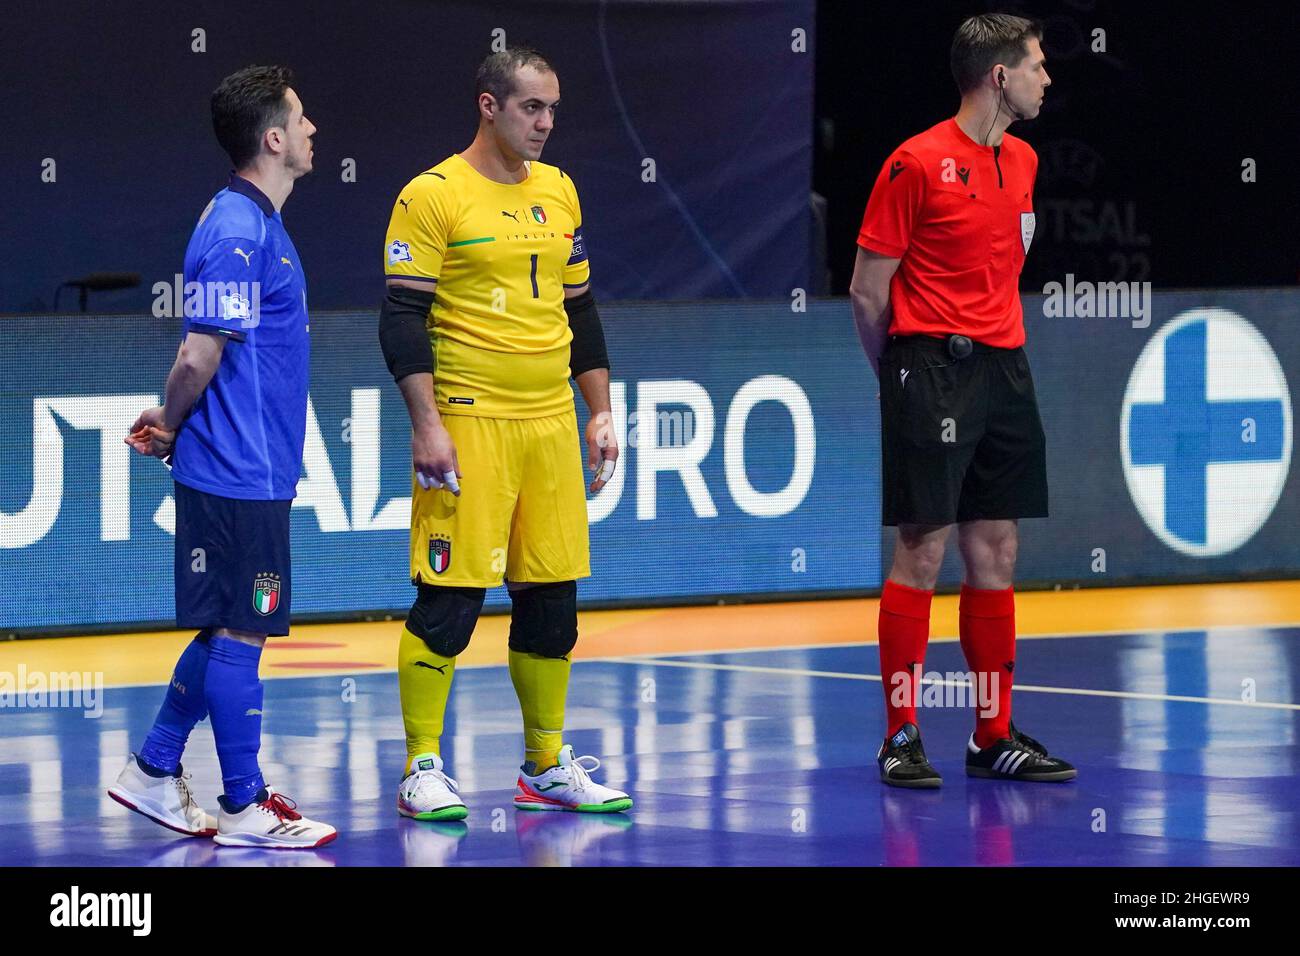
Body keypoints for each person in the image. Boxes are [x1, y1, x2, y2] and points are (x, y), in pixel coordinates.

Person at [378, 46, 632, 817]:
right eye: (531, 107)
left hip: (550, 424)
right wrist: (428, 426)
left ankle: (545, 766)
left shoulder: (561, 191)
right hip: (469, 420)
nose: (547, 123)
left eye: (553, 108)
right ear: (488, 105)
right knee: (450, 604)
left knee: (553, 604)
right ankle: (422, 765)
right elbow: (400, 318)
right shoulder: (431, 195)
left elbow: (578, 310)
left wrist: (600, 411)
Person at [109, 65, 337, 846]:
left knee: (228, 628)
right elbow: (199, 353)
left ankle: (152, 769)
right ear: (273, 138)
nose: (313, 132)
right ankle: (242, 807)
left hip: (251, 471)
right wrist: (170, 420)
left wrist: (175, 421)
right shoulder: (239, 230)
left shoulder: (253, 224)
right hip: (236, 473)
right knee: (244, 631)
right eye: (301, 121)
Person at [850, 15, 1076, 787]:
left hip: (1005, 369)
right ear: (999, 76)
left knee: (998, 550)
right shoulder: (914, 163)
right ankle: (901, 733)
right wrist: (901, 375)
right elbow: (867, 291)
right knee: (924, 547)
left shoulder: (1026, 161)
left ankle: (991, 734)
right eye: (1038, 66)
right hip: (928, 364)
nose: (1048, 78)